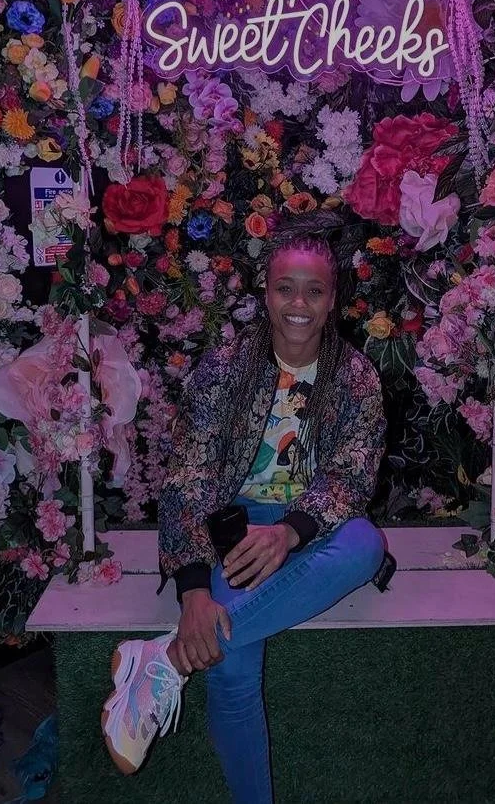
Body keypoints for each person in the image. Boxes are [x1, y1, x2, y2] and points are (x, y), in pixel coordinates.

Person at [100, 221, 387, 802]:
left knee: (366, 545)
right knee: (231, 670)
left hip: (311, 525)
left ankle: (165, 659)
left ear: (333, 299)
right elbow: (188, 477)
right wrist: (193, 591)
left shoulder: (356, 376)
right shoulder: (225, 368)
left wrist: (291, 532)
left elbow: (352, 474)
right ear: (266, 293)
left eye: (314, 291)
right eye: (285, 288)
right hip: (232, 527)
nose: (299, 304)